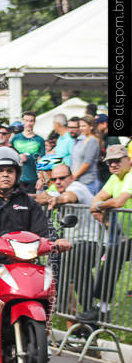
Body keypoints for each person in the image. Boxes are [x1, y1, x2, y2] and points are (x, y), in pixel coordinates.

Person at [0, 146, 70, 361]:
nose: (5, 174)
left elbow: (43, 228)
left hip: (22, 262)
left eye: (10, 171)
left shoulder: (27, 201)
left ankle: (43, 337)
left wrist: (55, 240)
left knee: (46, 287)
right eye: (0, 170)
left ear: (17, 174)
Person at [33, 158, 99, 315]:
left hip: (90, 241)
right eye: (54, 179)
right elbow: (41, 198)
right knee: (57, 270)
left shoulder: (78, 187)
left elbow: (69, 197)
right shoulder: (57, 190)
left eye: (62, 178)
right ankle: (72, 314)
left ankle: (90, 312)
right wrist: (47, 194)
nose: (58, 181)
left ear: (72, 177)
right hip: (73, 243)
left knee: (76, 274)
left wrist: (58, 199)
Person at [77, 145, 132, 323]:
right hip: (129, 235)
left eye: (117, 160)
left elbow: (118, 201)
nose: (113, 165)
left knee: (114, 256)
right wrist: (97, 206)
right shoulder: (115, 178)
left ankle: (102, 309)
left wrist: (99, 207)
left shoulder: (131, 176)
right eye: (109, 162)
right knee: (112, 259)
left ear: (128, 160)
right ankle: (102, 309)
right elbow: (98, 197)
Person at [11, 111, 46, 193]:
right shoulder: (15, 138)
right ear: (23, 121)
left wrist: (41, 178)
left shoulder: (39, 140)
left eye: (31, 121)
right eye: (26, 120)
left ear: (34, 122)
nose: (29, 123)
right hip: (16, 179)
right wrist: (18, 157)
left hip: (33, 179)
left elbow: (42, 161)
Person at [70, 115, 101, 195]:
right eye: (80, 126)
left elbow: (87, 163)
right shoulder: (82, 140)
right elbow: (77, 159)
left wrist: (75, 175)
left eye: (84, 126)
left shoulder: (92, 141)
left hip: (88, 180)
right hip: (78, 180)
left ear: (91, 127)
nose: (81, 128)